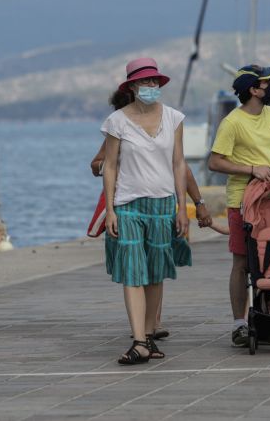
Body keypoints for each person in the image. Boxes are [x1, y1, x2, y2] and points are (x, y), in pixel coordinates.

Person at [102, 57, 189, 365]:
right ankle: (139, 341)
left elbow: (179, 163)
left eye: (155, 81)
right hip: (128, 204)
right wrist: (110, 210)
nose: (151, 85)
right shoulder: (117, 122)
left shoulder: (174, 118)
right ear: (132, 87)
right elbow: (109, 166)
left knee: (155, 273)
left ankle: (149, 336)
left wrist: (183, 207)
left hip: (163, 204)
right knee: (132, 271)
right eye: (144, 81)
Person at [208, 64, 270, 348]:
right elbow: (215, 162)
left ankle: (268, 322)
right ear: (253, 90)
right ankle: (239, 324)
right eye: (266, 82)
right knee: (242, 262)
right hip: (242, 200)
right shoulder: (232, 123)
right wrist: (252, 169)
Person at [90, 139, 213, 340]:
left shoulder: (164, 130)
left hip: (159, 207)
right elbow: (96, 165)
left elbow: (182, 168)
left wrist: (198, 203)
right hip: (127, 206)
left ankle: (153, 323)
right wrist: (112, 166)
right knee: (135, 266)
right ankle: (144, 329)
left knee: (155, 264)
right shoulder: (119, 130)